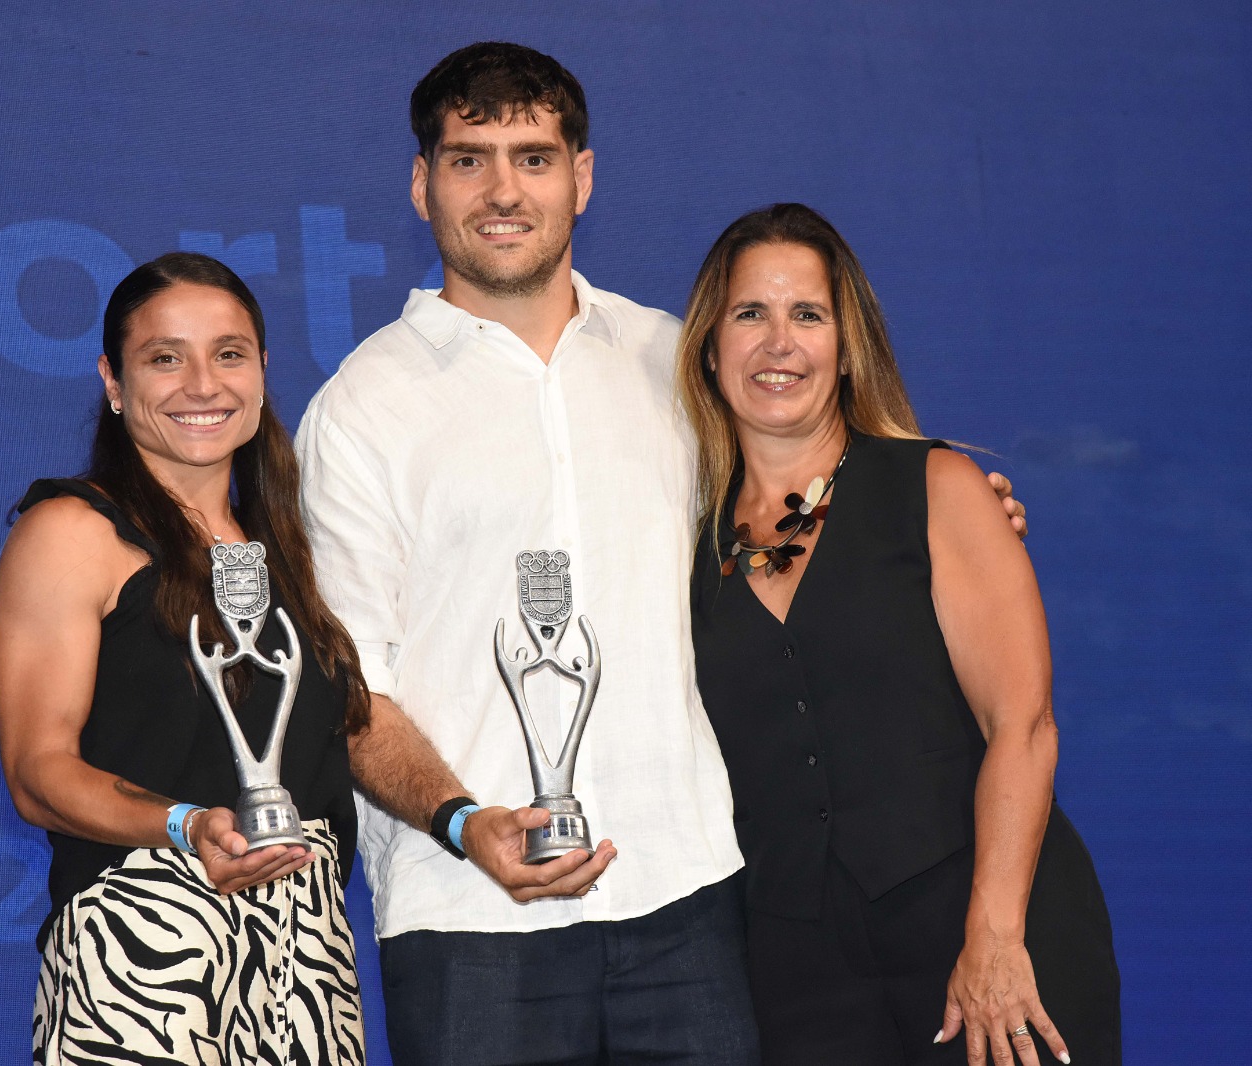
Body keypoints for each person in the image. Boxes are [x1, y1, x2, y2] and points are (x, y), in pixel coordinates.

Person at [300, 43, 1027, 1064]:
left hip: (694, 902)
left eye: (533, 157)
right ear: (422, 185)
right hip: (471, 922)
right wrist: (465, 823)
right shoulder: (358, 412)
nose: (503, 190)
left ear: (582, 177)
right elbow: (350, 690)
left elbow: (813, 484)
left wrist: (949, 507)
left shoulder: (671, 363)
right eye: (469, 159)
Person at [679, 203, 1120, 1066]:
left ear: (848, 348)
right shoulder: (685, 545)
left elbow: (1022, 725)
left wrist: (994, 937)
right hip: (804, 981)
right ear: (708, 345)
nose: (779, 343)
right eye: (750, 313)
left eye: (808, 315)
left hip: (988, 940)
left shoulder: (938, 487)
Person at [0, 252, 368, 1064]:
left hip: (306, 960)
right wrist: (185, 826)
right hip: (145, 952)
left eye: (229, 354)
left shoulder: (286, 546)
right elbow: (36, 771)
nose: (203, 385)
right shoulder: (72, 533)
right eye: (165, 358)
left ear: (261, 372)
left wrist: (463, 817)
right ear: (113, 381)